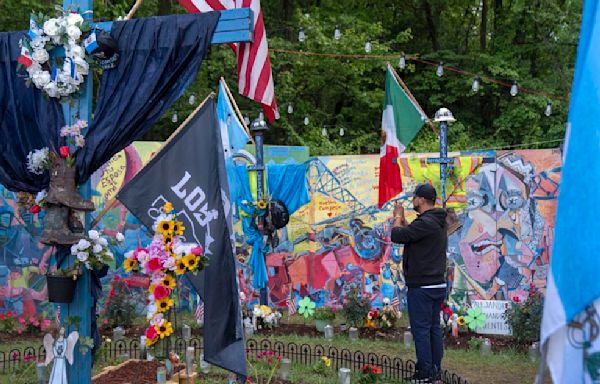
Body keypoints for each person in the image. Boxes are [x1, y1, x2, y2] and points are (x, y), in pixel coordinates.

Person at [391, 183, 448, 383]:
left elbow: (397, 236)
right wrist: (406, 223)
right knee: (432, 328)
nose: (412, 201)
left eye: (414, 197)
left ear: (422, 199)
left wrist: (398, 216)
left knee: (421, 330)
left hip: (422, 287)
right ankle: (434, 371)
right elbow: (414, 235)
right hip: (436, 284)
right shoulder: (436, 221)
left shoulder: (426, 222)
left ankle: (425, 373)